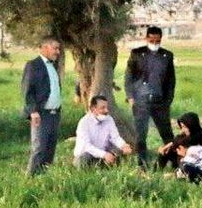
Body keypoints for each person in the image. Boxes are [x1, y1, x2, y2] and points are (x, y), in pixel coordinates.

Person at [124, 26, 176, 166]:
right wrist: (130, 97)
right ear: (147, 38)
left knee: (167, 135)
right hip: (141, 102)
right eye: (152, 40)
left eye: (157, 41)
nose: (154, 43)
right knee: (141, 135)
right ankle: (142, 164)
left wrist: (168, 101)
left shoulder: (167, 55)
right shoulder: (136, 53)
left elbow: (171, 81)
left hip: (160, 102)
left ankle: (175, 162)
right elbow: (129, 77)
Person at [21, 36, 63, 176]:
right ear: (45, 48)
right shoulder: (33, 65)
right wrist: (33, 111)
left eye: (58, 48)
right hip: (41, 114)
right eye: (55, 48)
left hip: (55, 114)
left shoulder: (53, 65)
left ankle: (43, 179)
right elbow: (27, 90)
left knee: (50, 148)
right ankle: (30, 179)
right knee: (39, 148)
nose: (58, 51)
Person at [73, 95, 135, 167]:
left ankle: (106, 165)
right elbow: (87, 146)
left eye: (106, 107)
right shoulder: (84, 122)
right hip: (86, 155)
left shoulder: (109, 119)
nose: (106, 111)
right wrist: (104, 154)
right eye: (102, 108)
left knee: (120, 152)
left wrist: (123, 145)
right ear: (93, 109)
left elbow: (115, 137)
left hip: (103, 154)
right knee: (83, 160)